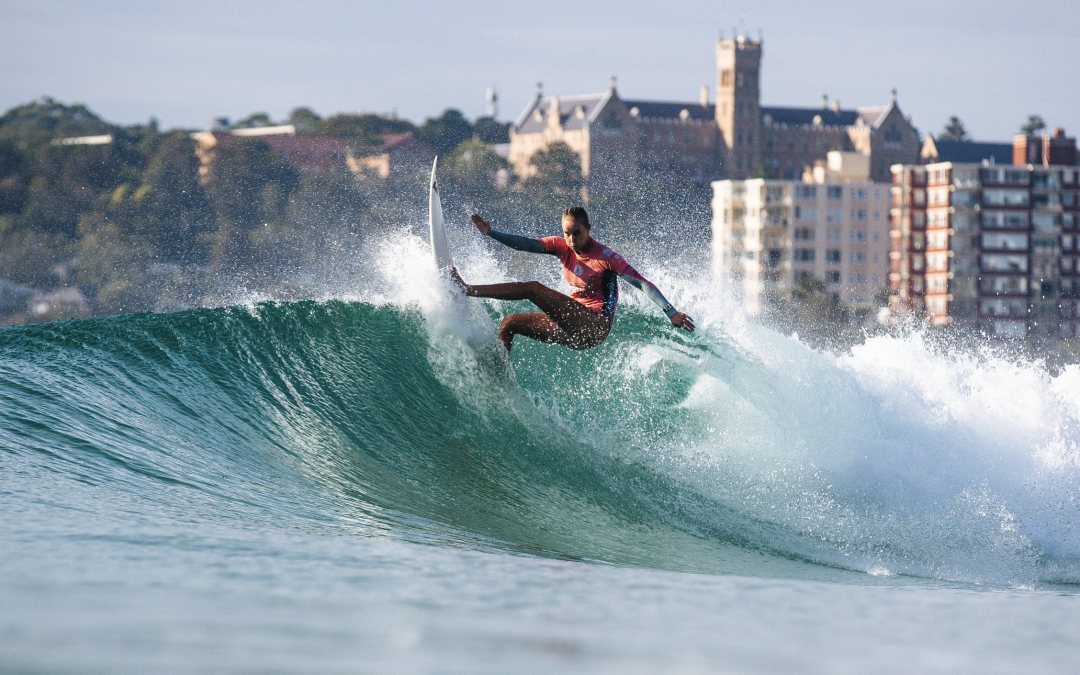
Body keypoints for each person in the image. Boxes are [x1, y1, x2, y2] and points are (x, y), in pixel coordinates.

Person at [451, 206, 694, 353]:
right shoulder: (561, 246)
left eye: (577, 233)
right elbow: (524, 244)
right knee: (509, 323)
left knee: (532, 289)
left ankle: (466, 289)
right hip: (570, 326)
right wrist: (491, 233)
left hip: (594, 326)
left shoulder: (606, 257)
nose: (571, 239)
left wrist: (670, 311)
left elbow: (641, 282)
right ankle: (497, 374)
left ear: (588, 229)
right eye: (567, 233)